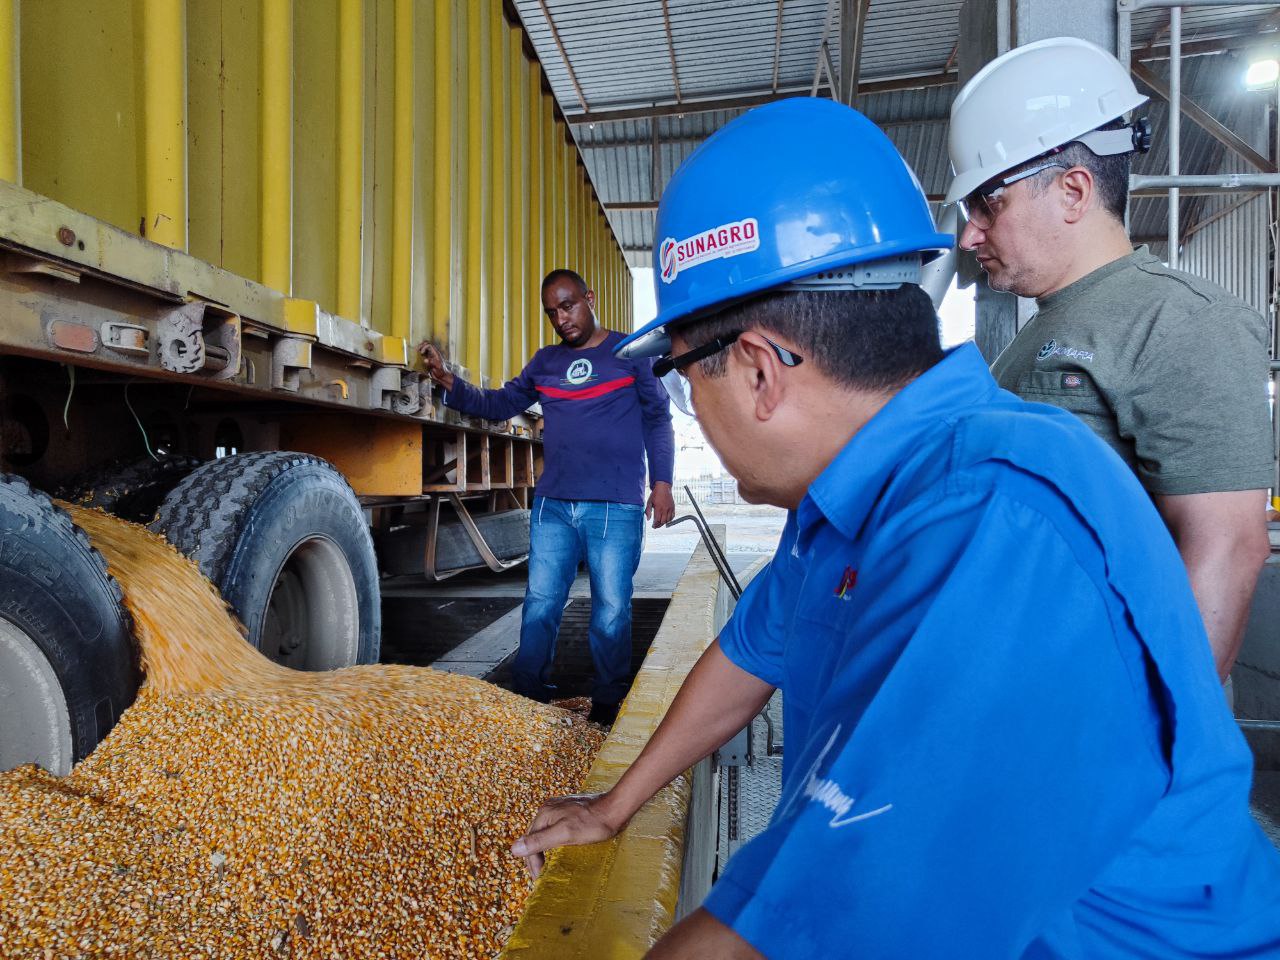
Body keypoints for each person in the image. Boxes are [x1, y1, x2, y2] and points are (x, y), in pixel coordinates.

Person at [509, 98, 1280, 958]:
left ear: (760, 371)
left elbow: (824, 918)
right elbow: (748, 655)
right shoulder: (850, 497)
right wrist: (614, 804)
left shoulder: (995, 520)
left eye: (686, 375)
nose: (691, 403)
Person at [946, 36, 1272, 682]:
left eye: (989, 203)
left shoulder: (1178, 321)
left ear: (1073, 191)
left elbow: (1228, 546)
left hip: (1097, 711)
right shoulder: (1043, 328)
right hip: (1027, 687)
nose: (969, 233)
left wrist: (1162, 729)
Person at [419, 270, 675, 726]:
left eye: (568, 306)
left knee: (611, 611)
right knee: (540, 604)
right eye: (552, 312)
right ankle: (530, 697)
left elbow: (658, 419)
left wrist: (662, 483)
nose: (561, 319)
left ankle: (607, 704)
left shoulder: (630, 352)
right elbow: (499, 404)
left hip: (615, 505)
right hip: (553, 505)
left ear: (590, 297)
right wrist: (448, 381)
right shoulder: (545, 362)